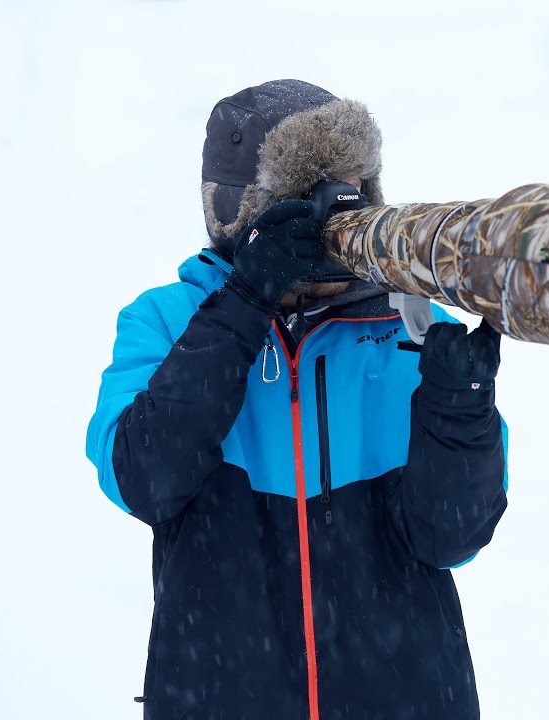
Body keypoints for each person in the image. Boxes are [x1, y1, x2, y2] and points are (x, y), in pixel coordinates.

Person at [85, 78, 510, 720]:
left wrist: (460, 407)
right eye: (310, 196)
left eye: (352, 189)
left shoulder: (412, 329)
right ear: (244, 211)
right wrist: (243, 305)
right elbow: (143, 480)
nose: (336, 214)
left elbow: (452, 538)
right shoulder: (166, 322)